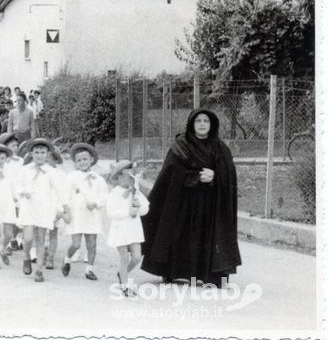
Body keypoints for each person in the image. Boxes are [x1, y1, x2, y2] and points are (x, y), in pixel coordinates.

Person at [141, 108, 242, 287]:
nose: (202, 124)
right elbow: (171, 173)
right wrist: (195, 177)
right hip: (183, 201)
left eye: (206, 121)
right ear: (191, 124)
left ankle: (209, 275)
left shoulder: (220, 148)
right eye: (198, 121)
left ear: (212, 125)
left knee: (206, 237)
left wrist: (215, 176)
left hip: (210, 203)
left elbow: (229, 175)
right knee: (181, 234)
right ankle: (173, 271)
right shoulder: (181, 145)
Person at [15, 138, 64, 282]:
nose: (39, 155)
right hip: (29, 207)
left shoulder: (51, 172)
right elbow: (17, 185)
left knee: (41, 239)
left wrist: (61, 208)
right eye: (36, 152)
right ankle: (26, 256)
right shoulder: (25, 170)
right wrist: (23, 191)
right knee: (29, 238)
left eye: (42, 152)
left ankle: (39, 270)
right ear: (31, 153)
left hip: (43, 208)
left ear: (48, 154)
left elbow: (59, 191)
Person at [61, 143, 108, 281]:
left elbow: (104, 196)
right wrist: (65, 211)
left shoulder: (99, 179)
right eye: (79, 160)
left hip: (92, 216)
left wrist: (96, 203)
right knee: (76, 244)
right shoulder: (71, 177)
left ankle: (89, 270)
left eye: (85, 159)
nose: (82, 162)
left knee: (91, 244)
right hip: (77, 215)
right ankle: (67, 259)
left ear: (91, 160)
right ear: (75, 162)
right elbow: (65, 194)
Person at [106, 160, 150, 297]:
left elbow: (145, 209)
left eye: (133, 175)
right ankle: (124, 286)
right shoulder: (115, 193)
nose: (131, 178)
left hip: (134, 229)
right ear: (119, 177)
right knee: (124, 258)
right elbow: (111, 213)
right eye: (128, 175)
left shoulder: (135, 191)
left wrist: (139, 206)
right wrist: (127, 212)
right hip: (120, 229)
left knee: (137, 257)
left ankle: (122, 273)